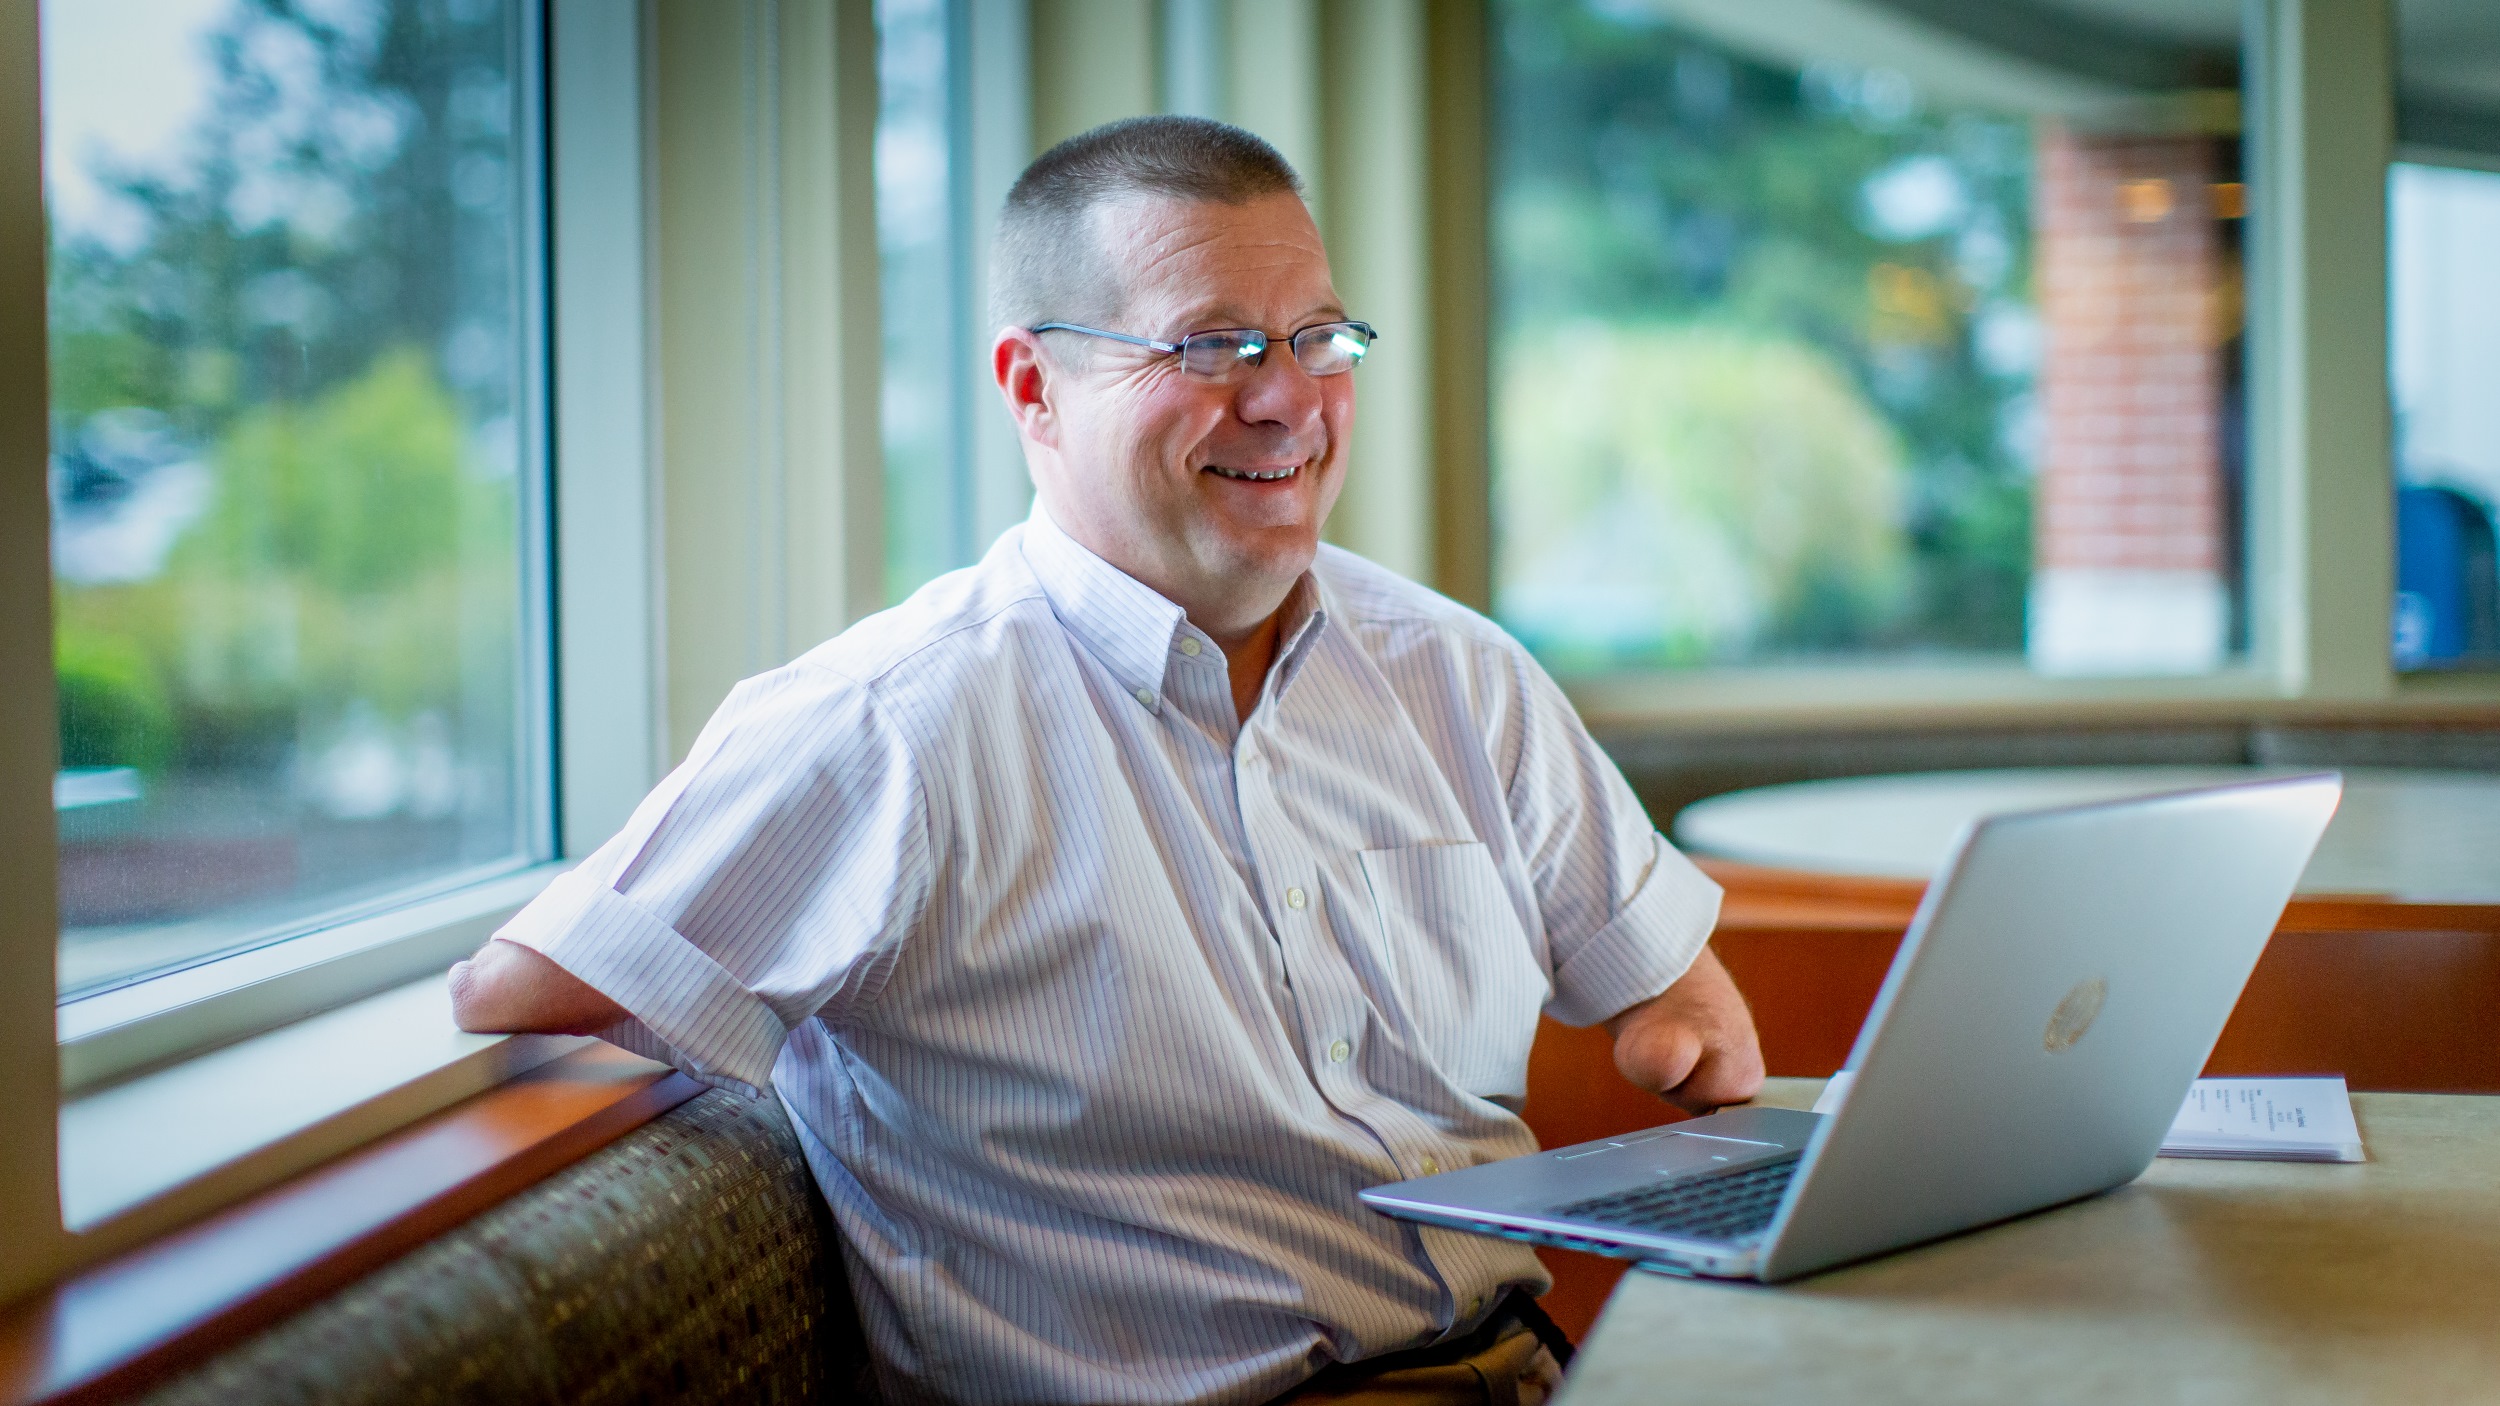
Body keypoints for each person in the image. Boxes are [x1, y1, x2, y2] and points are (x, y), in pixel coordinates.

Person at [450, 115, 1763, 1406]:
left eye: (1318, 337)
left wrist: (1684, 1042)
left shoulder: (1458, 673)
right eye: (1213, 344)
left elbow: (1677, 1002)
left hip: (1525, 1365)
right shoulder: (888, 725)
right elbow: (529, 988)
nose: (1287, 396)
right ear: (1033, 387)